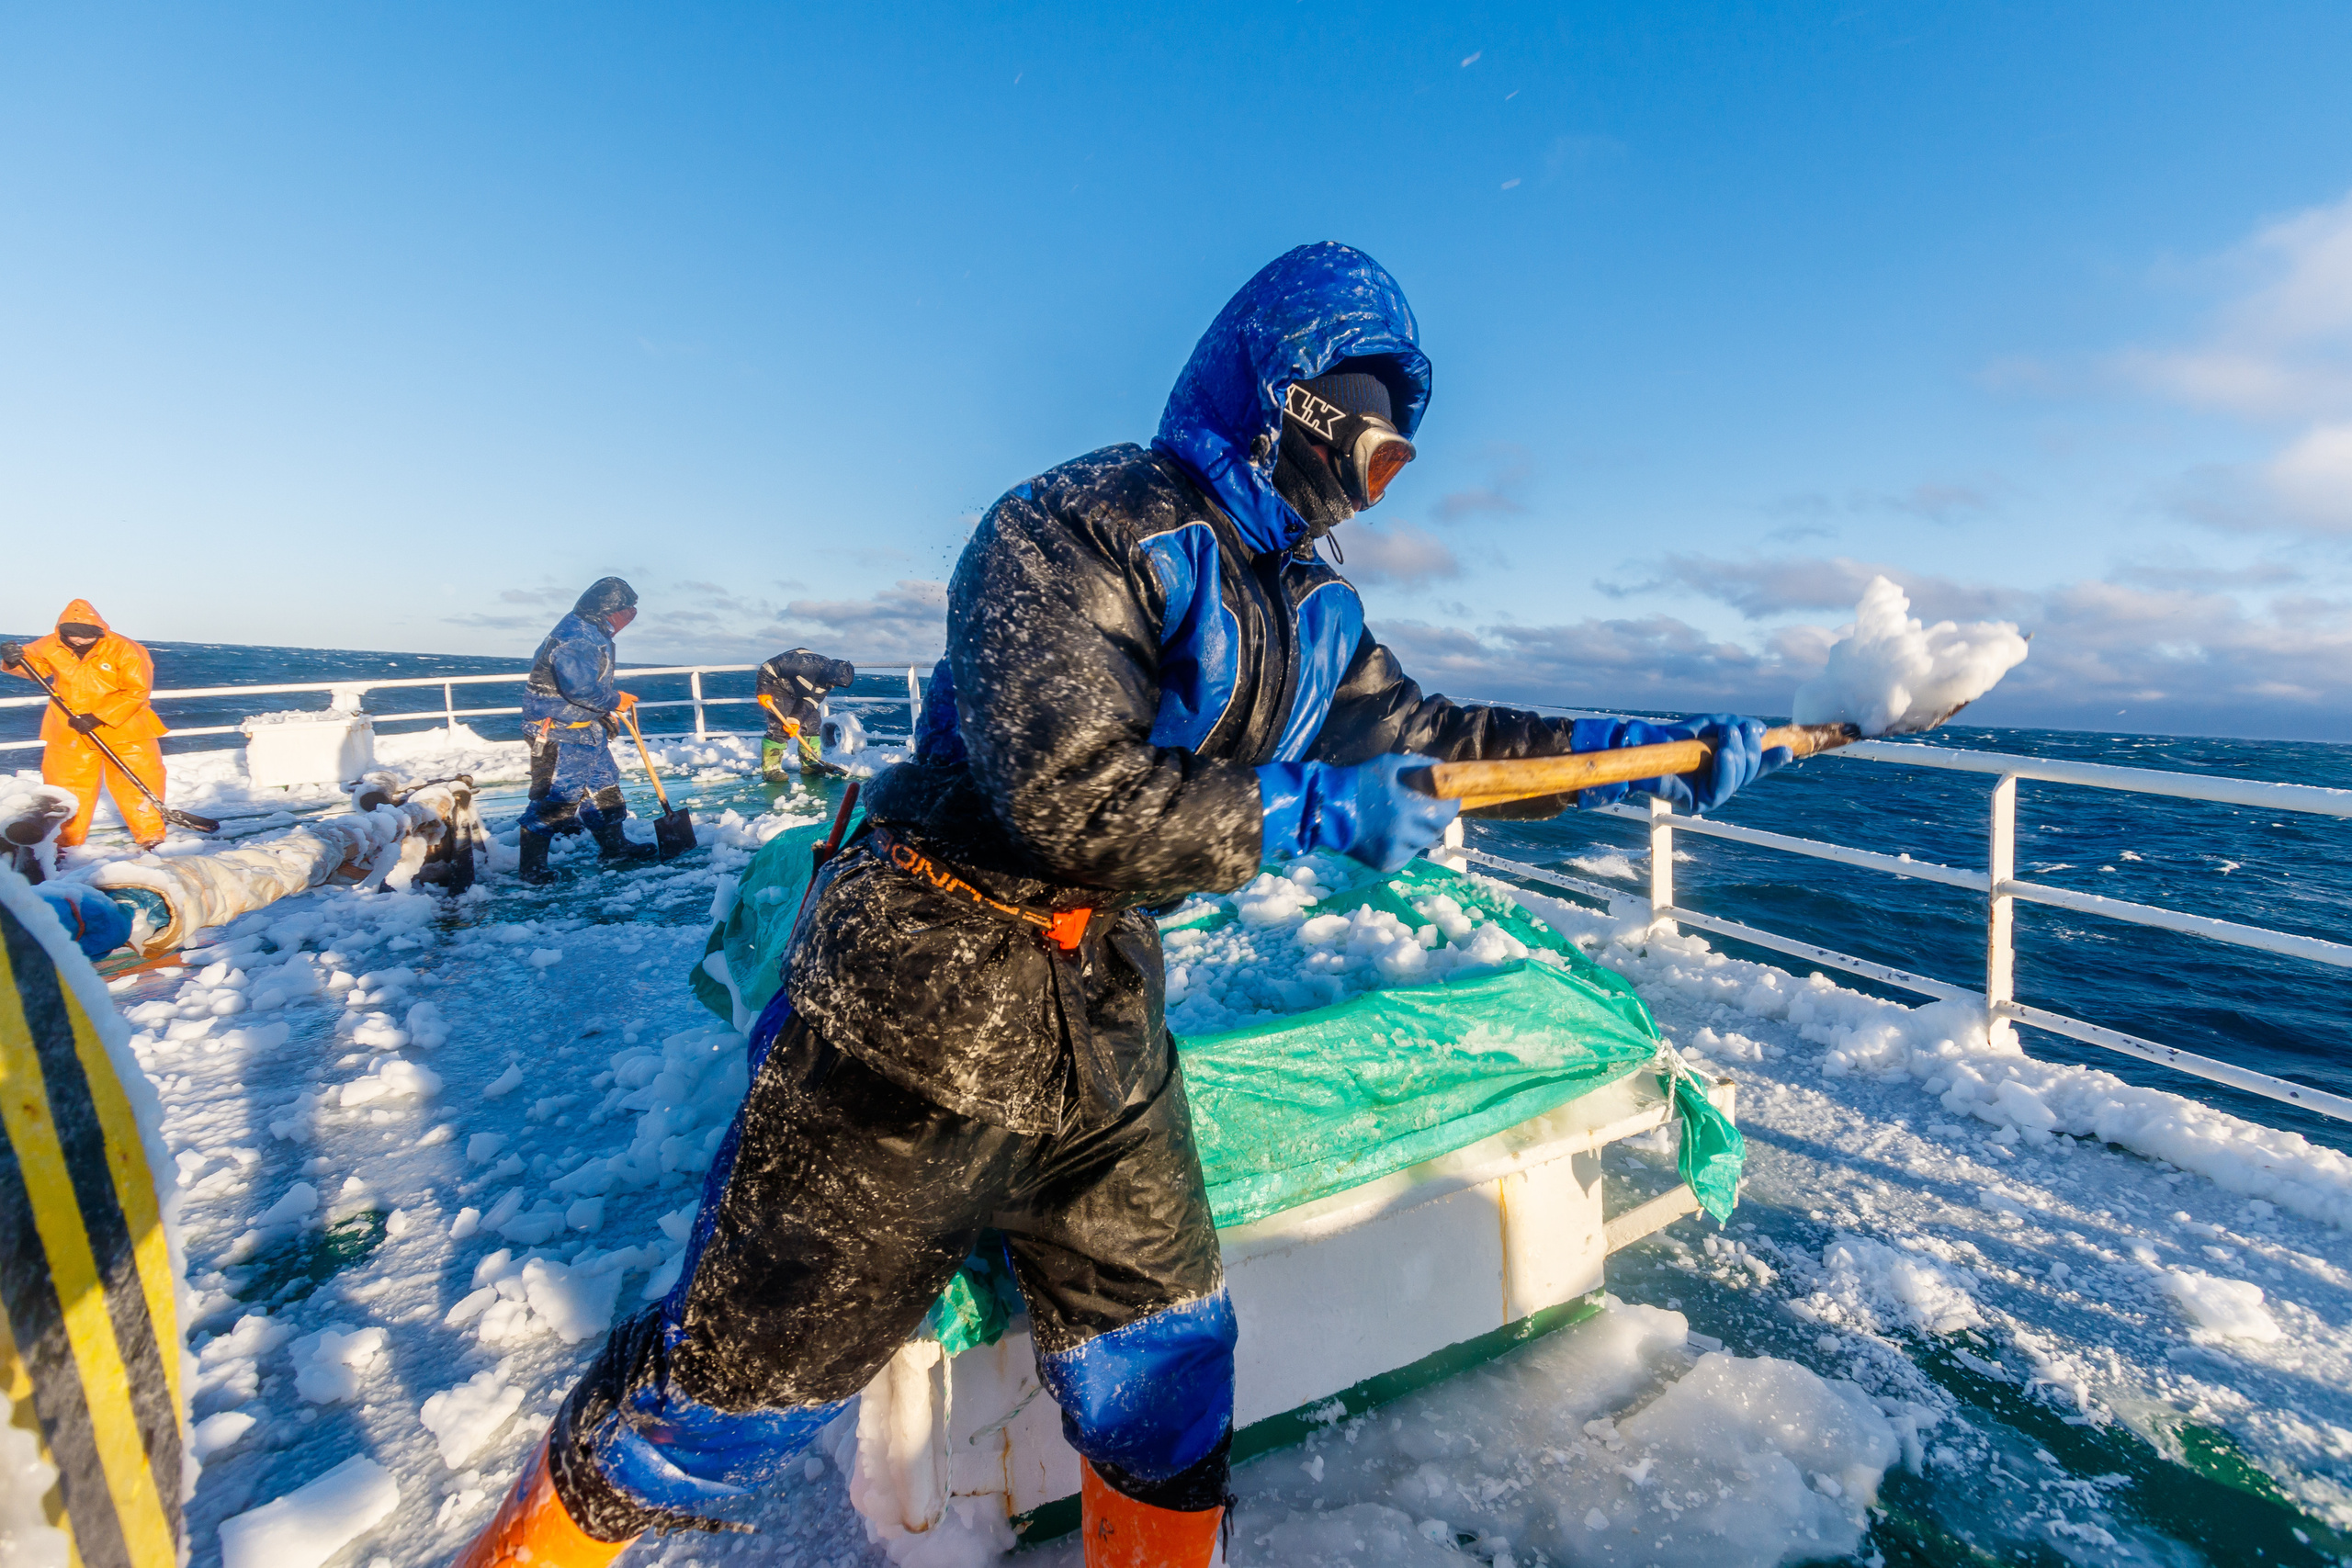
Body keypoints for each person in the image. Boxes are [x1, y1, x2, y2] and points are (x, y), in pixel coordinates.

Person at [459, 244, 1787, 1568]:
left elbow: (1438, 735)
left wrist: (1650, 747)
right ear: (1288, 394)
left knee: (1165, 1372)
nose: (1375, 483)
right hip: (920, 1000)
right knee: (738, 1382)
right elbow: (1066, 790)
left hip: (1101, 1014)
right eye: (1370, 439)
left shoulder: (1316, 604)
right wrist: (1308, 812)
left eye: (1398, 456)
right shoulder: (1074, 527)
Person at [514, 578, 657, 884]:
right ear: (608, 609)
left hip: (584, 729)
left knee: (604, 786)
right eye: (626, 611)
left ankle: (614, 847)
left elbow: (586, 685)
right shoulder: (578, 637)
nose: (629, 618)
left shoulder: (590, 630)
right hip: (557, 731)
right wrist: (615, 700)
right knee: (558, 797)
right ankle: (531, 866)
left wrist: (602, 713)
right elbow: (579, 688)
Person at [1, 601, 171, 851]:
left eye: (86, 637)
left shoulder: (125, 649)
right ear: (61, 631)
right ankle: (64, 842)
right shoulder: (50, 644)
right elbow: (35, 666)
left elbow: (137, 691)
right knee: (67, 789)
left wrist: (98, 717)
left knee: (137, 784)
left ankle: (150, 835)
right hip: (70, 728)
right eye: (72, 636)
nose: (78, 641)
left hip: (126, 728)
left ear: (99, 632)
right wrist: (13, 661)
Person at [754, 647, 857, 781]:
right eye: (833, 683)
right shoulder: (803, 664)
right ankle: (771, 769)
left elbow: (810, 702)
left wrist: (795, 720)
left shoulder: (826, 682)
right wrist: (763, 691)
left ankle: (810, 764)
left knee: (812, 724)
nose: (832, 686)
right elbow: (768, 668)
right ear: (830, 674)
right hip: (779, 687)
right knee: (780, 727)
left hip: (801, 692)